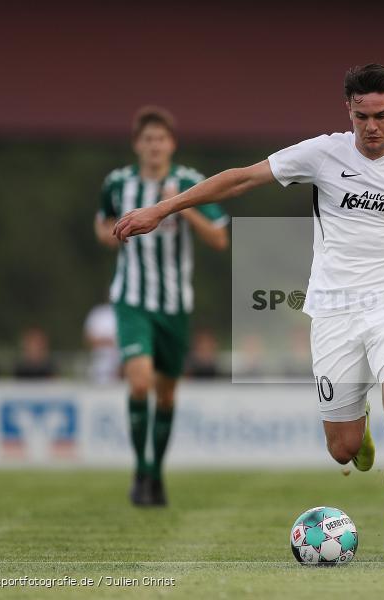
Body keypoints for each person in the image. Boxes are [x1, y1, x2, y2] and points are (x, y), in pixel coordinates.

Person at [112, 64, 384, 563]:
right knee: (341, 447)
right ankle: (361, 444)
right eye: (362, 116)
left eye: (382, 115)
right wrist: (165, 208)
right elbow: (241, 179)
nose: (372, 127)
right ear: (349, 112)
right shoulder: (323, 152)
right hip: (334, 312)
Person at [95, 106, 230, 507]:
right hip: (132, 300)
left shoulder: (189, 183)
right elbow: (102, 223)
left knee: (167, 395)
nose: (154, 146)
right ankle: (142, 471)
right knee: (139, 382)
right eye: (147, 139)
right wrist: (114, 233)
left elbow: (220, 239)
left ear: (172, 144)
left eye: (161, 139)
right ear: (137, 144)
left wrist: (181, 208)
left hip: (174, 305)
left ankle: (157, 474)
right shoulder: (118, 183)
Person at [83, 303, 120, 384]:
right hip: (99, 365)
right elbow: (89, 338)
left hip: (121, 365)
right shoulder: (97, 313)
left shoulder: (125, 312)